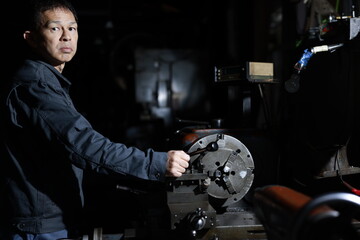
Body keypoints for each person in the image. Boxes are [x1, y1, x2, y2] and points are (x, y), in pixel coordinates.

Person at [0, 0, 190, 239]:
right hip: (40, 228)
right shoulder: (36, 86)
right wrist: (157, 164)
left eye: (72, 28)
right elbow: (83, 145)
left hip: (48, 220)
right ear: (31, 37)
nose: (66, 37)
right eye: (55, 28)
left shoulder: (45, 81)